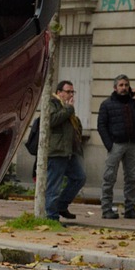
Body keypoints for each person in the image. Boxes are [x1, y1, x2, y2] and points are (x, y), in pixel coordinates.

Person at [96, 74, 135, 219]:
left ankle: (130, 209)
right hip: (116, 145)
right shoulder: (107, 104)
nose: (124, 88)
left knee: (132, 178)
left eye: (126, 85)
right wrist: (109, 145)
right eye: (121, 85)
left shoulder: (134, 102)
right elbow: (101, 126)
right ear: (115, 88)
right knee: (109, 177)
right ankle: (106, 209)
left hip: (132, 144)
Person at [45, 80, 85, 223]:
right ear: (59, 92)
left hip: (69, 151)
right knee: (54, 185)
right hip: (56, 151)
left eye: (72, 92)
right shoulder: (52, 103)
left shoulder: (66, 107)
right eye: (68, 91)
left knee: (79, 177)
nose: (70, 95)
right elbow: (52, 120)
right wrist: (68, 109)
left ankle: (61, 206)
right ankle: (51, 216)